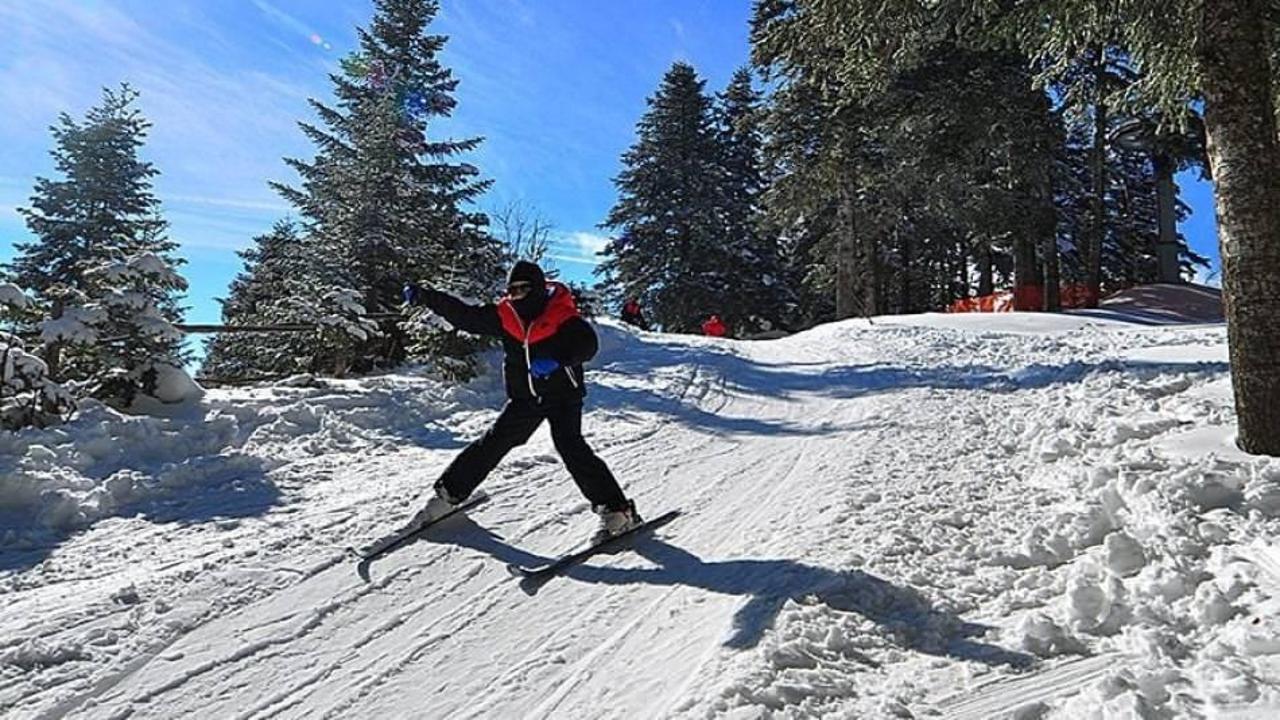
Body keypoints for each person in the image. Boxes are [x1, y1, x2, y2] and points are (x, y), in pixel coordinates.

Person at [402, 261, 640, 540]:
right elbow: (465, 316)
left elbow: (587, 345)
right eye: (511, 290)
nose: (516, 295)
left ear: (537, 288)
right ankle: (449, 494)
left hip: (563, 394)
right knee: (494, 441)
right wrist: (427, 296)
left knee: (571, 446)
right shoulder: (507, 316)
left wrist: (558, 360)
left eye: (523, 289)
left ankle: (618, 510)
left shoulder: (562, 315)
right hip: (526, 397)